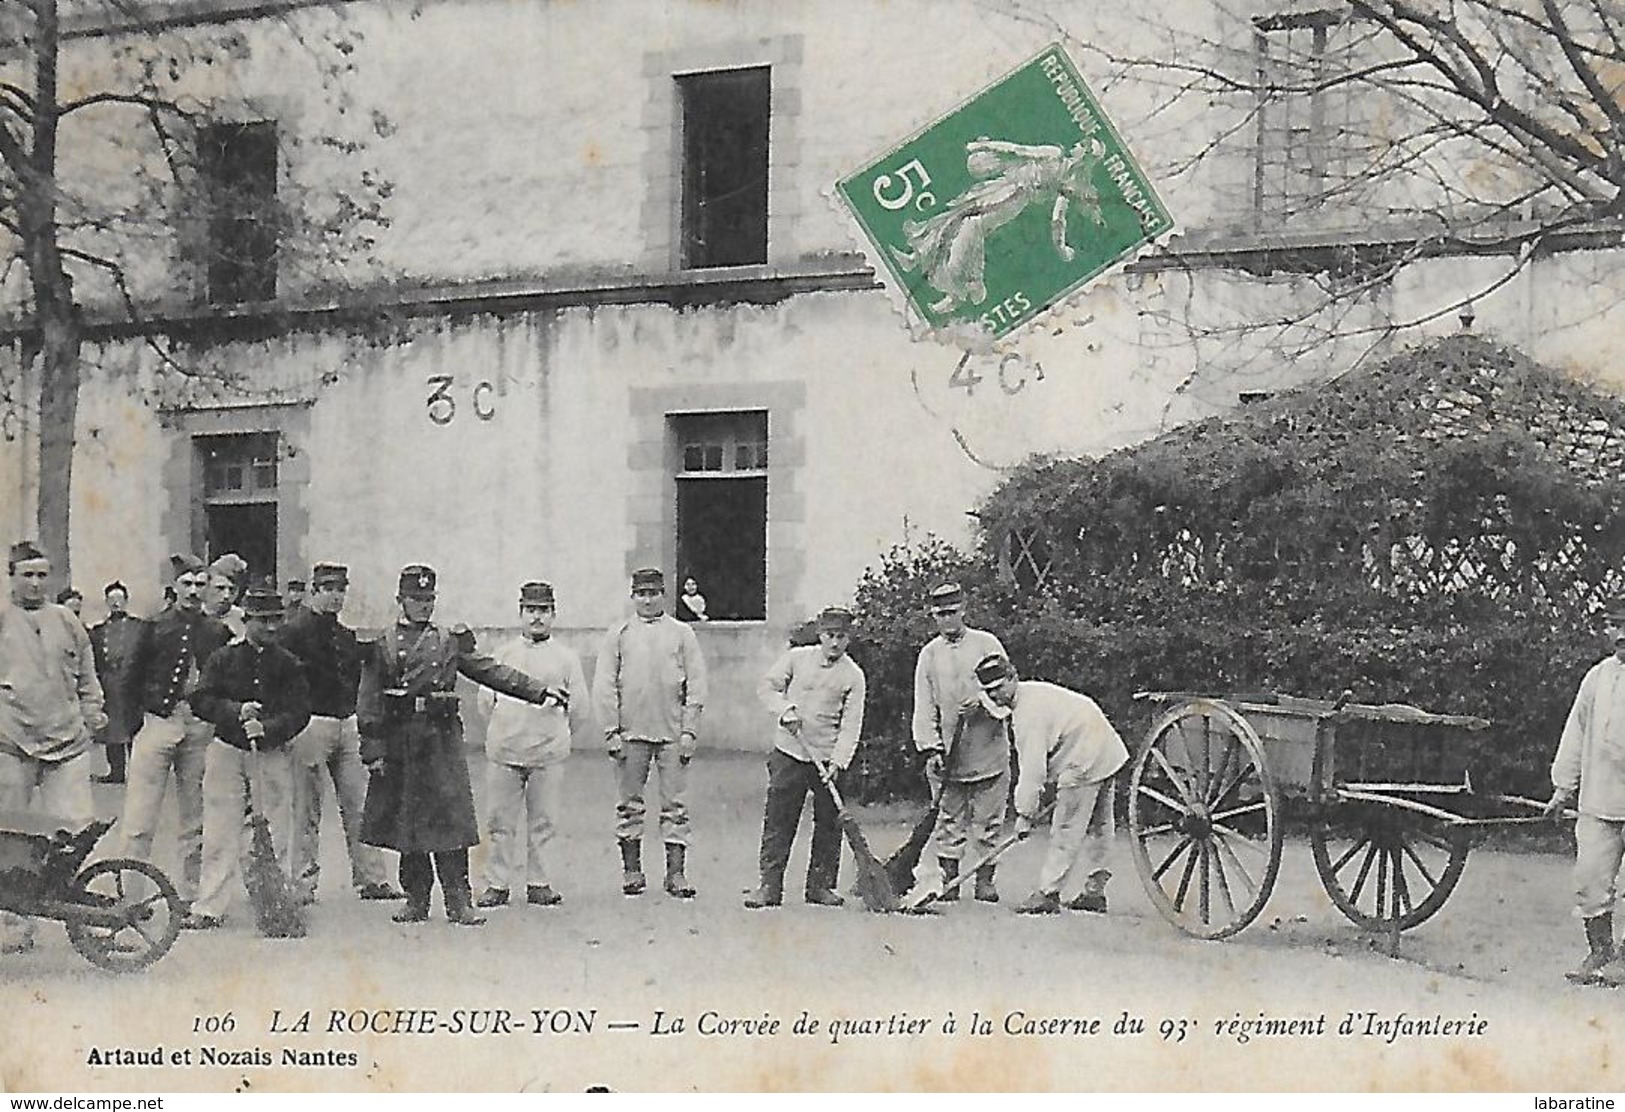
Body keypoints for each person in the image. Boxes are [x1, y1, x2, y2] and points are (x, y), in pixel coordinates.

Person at [357, 564, 559, 927]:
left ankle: (459, 901)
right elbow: (369, 698)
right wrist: (372, 747)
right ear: (400, 601)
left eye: (429, 599)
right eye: (416, 600)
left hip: (441, 739)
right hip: (402, 739)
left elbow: (489, 670)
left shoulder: (449, 640)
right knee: (409, 824)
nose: (424, 606)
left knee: (451, 823)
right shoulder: (383, 644)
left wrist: (537, 690)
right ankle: (416, 900)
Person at [184, 587, 311, 930]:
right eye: (263, 621)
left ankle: (275, 905)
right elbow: (200, 698)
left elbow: (300, 711)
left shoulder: (287, 663)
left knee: (274, 831)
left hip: (270, 755)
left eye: (276, 621)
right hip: (226, 750)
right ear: (247, 620)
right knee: (218, 830)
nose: (271, 628)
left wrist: (269, 729)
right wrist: (234, 711)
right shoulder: (223, 658)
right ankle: (209, 905)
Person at [0, 541, 106, 952]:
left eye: (43, 575)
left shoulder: (66, 620)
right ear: (11, 576)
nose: (35, 582)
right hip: (12, 742)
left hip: (68, 742)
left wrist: (92, 714)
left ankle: (85, 916)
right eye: (27, 574)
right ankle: (13, 925)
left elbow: (87, 676)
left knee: (77, 829)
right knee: (11, 838)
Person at [280, 563, 402, 905]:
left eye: (340, 590)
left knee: (360, 804)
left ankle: (372, 879)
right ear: (314, 590)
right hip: (310, 723)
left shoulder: (346, 636)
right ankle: (302, 883)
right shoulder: (292, 633)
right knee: (307, 809)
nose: (335, 596)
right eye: (328, 589)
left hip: (347, 723)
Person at [118, 553, 234, 912]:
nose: (195, 591)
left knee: (195, 818)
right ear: (175, 587)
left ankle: (189, 895)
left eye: (202, 584)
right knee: (139, 820)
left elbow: (228, 681)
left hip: (199, 728)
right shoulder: (153, 626)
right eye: (188, 584)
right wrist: (136, 726)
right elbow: (129, 679)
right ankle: (129, 898)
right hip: (158, 722)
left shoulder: (217, 631)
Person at [973, 655, 1129, 915]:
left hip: (1086, 754)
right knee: (1100, 824)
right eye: (989, 691)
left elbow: (1032, 771)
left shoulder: (1027, 714)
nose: (995, 696)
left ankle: (1048, 893)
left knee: (1067, 827)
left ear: (1013, 678)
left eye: (999, 687)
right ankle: (1094, 892)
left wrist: (1024, 816)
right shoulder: (1032, 694)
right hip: (1104, 748)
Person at [889, 137, 1106, 313]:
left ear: (1085, 155)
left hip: (1011, 197)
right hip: (1002, 186)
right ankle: (916, 257)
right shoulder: (1058, 160)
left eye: (1083, 145)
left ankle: (960, 290)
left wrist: (1061, 247)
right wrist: (985, 146)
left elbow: (1058, 217)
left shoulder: (1065, 174)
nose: (1077, 144)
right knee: (955, 215)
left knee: (970, 226)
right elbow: (1018, 150)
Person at [593, 567, 708, 899]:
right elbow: (605, 685)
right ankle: (632, 871)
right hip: (631, 734)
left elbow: (696, 684)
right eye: (641, 593)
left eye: (653, 593)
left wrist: (690, 731)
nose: (647, 599)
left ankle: (676, 875)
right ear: (633, 596)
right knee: (629, 803)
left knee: (675, 804)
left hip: (672, 733)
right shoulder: (619, 634)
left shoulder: (683, 633)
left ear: (663, 595)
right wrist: (610, 731)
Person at [475, 581, 591, 909]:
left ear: (553, 614)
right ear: (520, 613)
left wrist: (557, 737)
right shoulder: (504, 654)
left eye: (543, 611)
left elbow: (579, 709)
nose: (536, 618)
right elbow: (486, 702)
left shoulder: (566, 658)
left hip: (547, 752)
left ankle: (539, 882)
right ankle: (497, 883)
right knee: (499, 821)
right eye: (530, 610)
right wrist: (504, 730)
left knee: (544, 821)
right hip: (505, 750)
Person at [745, 606, 866, 909]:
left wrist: (838, 762)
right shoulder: (798, 658)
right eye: (830, 635)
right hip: (789, 751)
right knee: (779, 819)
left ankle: (820, 886)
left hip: (826, 759)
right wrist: (785, 710)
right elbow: (766, 687)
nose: (835, 643)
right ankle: (769, 886)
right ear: (819, 634)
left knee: (829, 822)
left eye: (841, 636)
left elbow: (852, 724)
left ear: (849, 638)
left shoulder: (853, 676)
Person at [911, 581, 1008, 903]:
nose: (947, 621)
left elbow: (1008, 692)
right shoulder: (929, 654)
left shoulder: (986, 644)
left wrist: (983, 703)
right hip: (949, 754)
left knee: (988, 820)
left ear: (964, 610)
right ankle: (949, 880)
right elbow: (924, 705)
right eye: (940, 615)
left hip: (988, 749)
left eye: (952, 613)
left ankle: (984, 880)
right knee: (948, 819)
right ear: (933, 616)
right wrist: (931, 748)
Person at [1546, 601, 1625, 985]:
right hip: (1599, 797)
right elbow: (1576, 733)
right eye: (1613, 626)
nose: (1621, 635)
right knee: (1590, 877)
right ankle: (1599, 951)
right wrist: (1563, 787)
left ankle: (1624, 959)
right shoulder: (1597, 678)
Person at [89, 580, 141, 784]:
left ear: (126, 601)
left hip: (133, 687)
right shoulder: (98, 631)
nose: (116, 604)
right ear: (106, 602)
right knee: (112, 730)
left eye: (119, 599)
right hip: (109, 687)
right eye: (112, 600)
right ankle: (116, 772)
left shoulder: (139, 628)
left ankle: (137, 773)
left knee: (134, 728)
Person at [206, 554, 249, 640]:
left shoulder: (243, 619)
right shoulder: (194, 616)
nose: (226, 596)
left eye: (232, 590)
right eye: (220, 588)